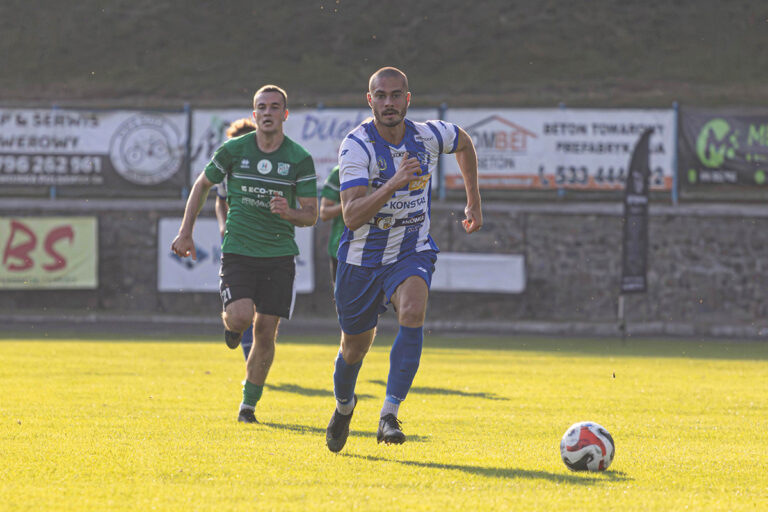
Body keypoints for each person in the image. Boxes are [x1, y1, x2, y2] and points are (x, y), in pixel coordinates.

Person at [325, 67, 482, 452]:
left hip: (411, 250)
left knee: (412, 312)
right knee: (353, 348)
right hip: (361, 260)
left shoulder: (428, 136)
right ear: (370, 100)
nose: (389, 103)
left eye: (396, 95)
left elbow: (464, 143)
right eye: (381, 96)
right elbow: (351, 216)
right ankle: (344, 407)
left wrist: (474, 201)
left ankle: (389, 415)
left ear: (408, 99)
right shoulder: (356, 146)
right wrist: (395, 182)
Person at [171, 85, 318, 424]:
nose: (268, 112)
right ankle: (234, 328)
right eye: (262, 107)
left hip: (279, 255)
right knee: (240, 317)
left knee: (265, 332)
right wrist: (185, 231)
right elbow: (202, 185)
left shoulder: (299, 158)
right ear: (255, 114)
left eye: (275, 107)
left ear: (285, 114)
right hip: (238, 250)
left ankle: (248, 406)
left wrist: (289, 212)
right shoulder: (234, 150)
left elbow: (311, 215)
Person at [214, 117, 257, 361]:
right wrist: (223, 225)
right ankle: (236, 328)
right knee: (242, 302)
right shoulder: (227, 172)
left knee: (261, 306)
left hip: (264, 241)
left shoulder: (267, 168)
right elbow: (220, 201)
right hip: (236, 242)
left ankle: (254, 361)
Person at [319, 165, 344, 288]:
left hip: (377, 246)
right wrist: (351, 203)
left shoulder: (383, 167)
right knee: (343, 297)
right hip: (342, 248)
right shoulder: (339, 171)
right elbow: (324, 213)